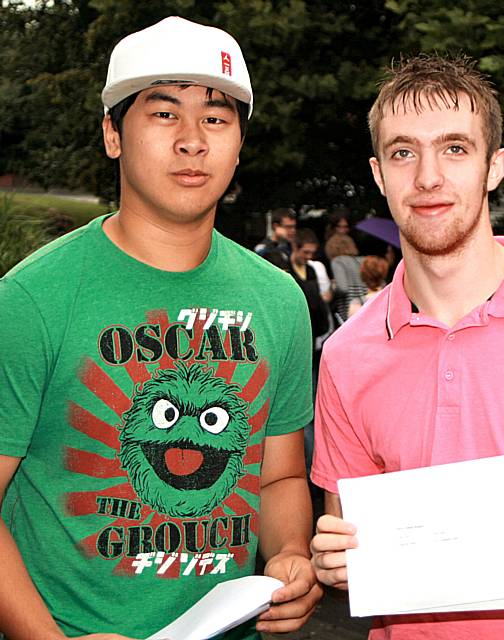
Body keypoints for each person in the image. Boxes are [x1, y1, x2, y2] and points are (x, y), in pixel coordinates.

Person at [0, 16, 321, 640]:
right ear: (113, 135)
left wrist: (290, 556)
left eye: (217, 118)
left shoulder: (279, 298)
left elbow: (278, 475)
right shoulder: (31, 299)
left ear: (239, 142)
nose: (193, 141)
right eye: (164, 113)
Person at [310, 54, 504, 639]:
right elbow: (346, 532)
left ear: (494, 166)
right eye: (404, 152)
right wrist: (338, 561)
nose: (428, 176)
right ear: (379, 174)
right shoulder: (347, 354)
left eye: (455, 148)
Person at [326, 234, 367, 323]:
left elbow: (343, 288)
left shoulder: (338, 261)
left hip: (350, 311)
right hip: (367, 308)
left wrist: (332, 287)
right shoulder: (363, 261)